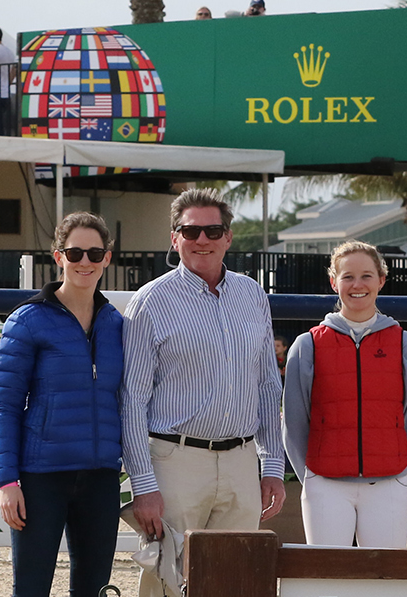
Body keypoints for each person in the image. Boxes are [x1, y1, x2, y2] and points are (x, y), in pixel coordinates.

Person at [122, 189, 285, 548]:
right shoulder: (149, 303)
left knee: (236, 580)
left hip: (242, 464)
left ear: (228, 237)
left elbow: (268, 387)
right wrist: (143, 484)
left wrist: (272, 466)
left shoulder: (253, 295)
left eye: (213, 231)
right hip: (174, 462)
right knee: (167, 581)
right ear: (174, 238)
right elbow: (132, 399)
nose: (202, 240)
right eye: (190, 231)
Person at [0, 213, 125, 597]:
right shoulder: (28, 320)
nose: (84, 261)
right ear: (58, 257)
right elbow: (5, 405)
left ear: (107, 258)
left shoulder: (116, 324)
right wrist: (7, 481)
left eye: (94, 253)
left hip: (101, 477)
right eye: (75, 253)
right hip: (40, 477)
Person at [283, 241, 407, 548]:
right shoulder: (307, 344)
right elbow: (294, 422)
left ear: (381, 280)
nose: (357, 285)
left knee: (384, 579)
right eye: (347, 277)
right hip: (326, 484)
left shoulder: (406, 344)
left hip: (388, 483)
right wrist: (313, 475)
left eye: (366, 276)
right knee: (327, 580)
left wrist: (396, 464)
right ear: (334, 282)